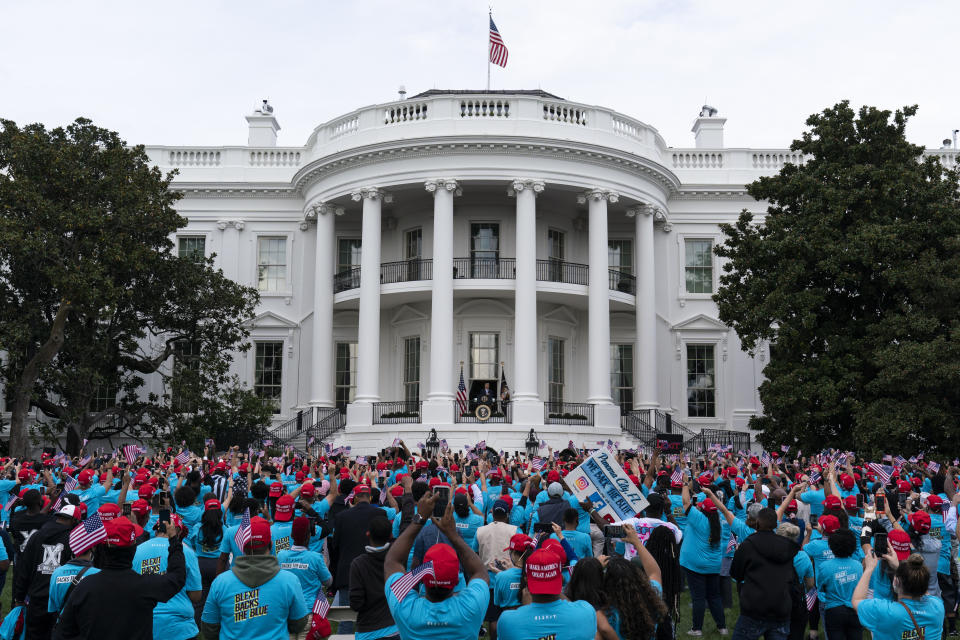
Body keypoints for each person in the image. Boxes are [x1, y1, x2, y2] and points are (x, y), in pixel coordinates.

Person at [55, 517, 187, 640]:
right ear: (133, 549)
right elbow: (177, 577)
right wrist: (173, 539)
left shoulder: (85, 587)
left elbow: (63, 632)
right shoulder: (145, 585)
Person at [383, 490, 489, 639]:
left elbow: (392, 561)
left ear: (423, 578)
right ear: (456, 580)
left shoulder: (406, 608)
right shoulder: (470, 607)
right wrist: (453, 536)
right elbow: (480, 572)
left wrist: (419, 518)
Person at [201, 516, 309, 639]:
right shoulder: (289, 581)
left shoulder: (221, 582)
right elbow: (298, 624)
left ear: (242, 545)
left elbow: (209, 628)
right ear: (271, 544)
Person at [497, 547, 598, 640]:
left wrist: (527, 608)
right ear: (561, 579)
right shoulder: (586, 611)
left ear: (527, 581)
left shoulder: (508, 621)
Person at [729, 507, 799, 640]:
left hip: (755, 608)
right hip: (780, 606)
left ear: (757, 523)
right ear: (775, 524)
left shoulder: (748, 545)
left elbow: (736, 574)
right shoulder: (786, 546)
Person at [13, 504, 81, 640]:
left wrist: (19, 597)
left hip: (36, 598)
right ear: (74, 521)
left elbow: (23, 569)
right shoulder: (73, 539)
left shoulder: (37, 536)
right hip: (60, 600)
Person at [132, 514, 203, 640]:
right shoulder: (187, 552)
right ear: (178, 531)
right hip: (180, 627)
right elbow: (196, 595)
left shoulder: (137, 551)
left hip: (144, 624)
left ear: (156, 529)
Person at [330, 483, 386, 634]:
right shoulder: (380, 513)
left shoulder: (342, 516)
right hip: (373, 573)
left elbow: (335, 545)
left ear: (354, 498)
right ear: (370, 497)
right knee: (375, 620)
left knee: (346, 620)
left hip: (347, 572)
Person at [853, 551, 944, 640]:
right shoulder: (937, 606)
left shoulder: (885, 611)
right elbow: (922, 587)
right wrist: (899, 568)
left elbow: (857, 601)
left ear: (896, 582)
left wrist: (869, 568)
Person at [680, 479, 726, 636]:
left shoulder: (698, 519)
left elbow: (686, 502)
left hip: (696, 565)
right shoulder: (719, 520)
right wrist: (710, 494)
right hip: (713, 565)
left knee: (698, 598)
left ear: (703, 509)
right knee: (714, 596)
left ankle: (697, 629)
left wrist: (685, 484)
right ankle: (722, 627)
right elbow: (722, 508)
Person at [349, 516, 399, 640]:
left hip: (368, 631)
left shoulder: (358, 564)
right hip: (395, 629)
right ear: (391, 535)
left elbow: (356, 604)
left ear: (368, 534)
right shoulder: (397, 561)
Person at [277, 516, 332, 623]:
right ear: (309, 535)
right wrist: (324, 565)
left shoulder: (281, 556)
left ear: (292, 535)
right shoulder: (315, 558)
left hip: (287, 613)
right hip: (309, 612)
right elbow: (328, 582)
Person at [815, 529, 862, 640]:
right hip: (854, 609)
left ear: (832, 546)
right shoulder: (858, 565)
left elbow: (820, 587)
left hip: (833, 610)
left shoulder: (824, 566)